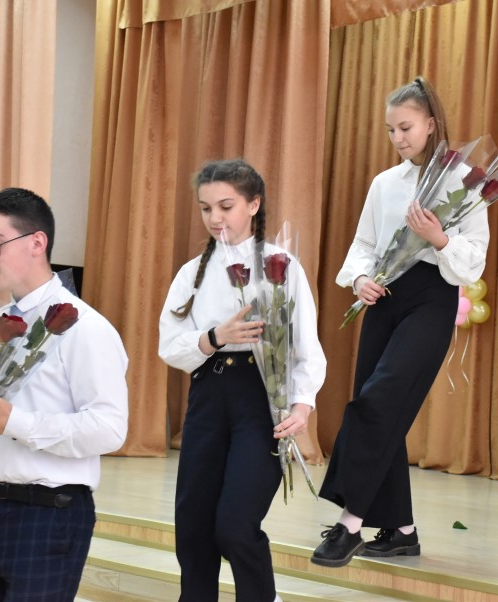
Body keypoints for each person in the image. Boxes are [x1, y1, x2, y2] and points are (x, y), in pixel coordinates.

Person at [311, 77, 490, 568]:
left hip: (431, 301)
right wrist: (360, 279)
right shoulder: (384, 183)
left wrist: (439, 238)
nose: (398, 138)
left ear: (430, 124)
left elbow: (474, 260)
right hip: (384, 299)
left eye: (406, 127)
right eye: (391, 130)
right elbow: (363, 244)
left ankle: (349, 524)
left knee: (379, 401)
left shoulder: (466, 180)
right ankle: (402, 532)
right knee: (379, 407)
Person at [0, 187, 129, 600]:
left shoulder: (87, 329)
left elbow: (109, 429)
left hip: (48, 515)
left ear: (37, 243)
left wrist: (12, 422)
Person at [159, 159, 326, 602]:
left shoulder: (282, 265)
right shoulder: (191, 273)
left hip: (262, 401)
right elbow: (169, 345)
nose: (215, 217)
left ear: (253, 204)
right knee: (193, 527)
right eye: (206, 208)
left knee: (235, 526)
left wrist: (302, 405)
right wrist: (216, 337)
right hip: (208, 396)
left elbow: (306, 347)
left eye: (226, 206)